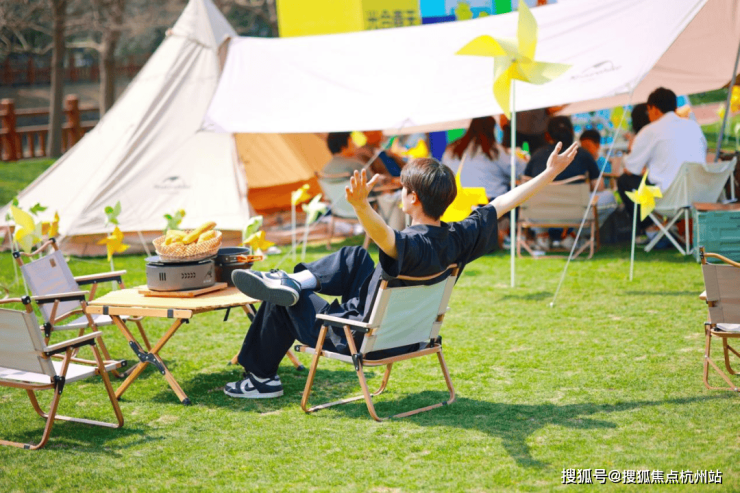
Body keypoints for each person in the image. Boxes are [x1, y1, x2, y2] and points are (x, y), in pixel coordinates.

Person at [224, 143, 579, 398]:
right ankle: (291, 280)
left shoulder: (409, 246)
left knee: (284, 301)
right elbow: (502, 203)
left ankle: (261, 380)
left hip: (359, 337)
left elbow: (384, 236)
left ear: (413, 198)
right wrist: (549, 172)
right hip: (407, 335)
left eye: (404, 189)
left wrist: (361, 206)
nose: (401, 193)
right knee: (355, 257)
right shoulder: (459, 237)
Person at [617, 87, 707, 230]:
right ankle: (668, 227)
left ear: (653, 109)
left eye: (648, 110)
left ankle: (650, 228)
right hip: (701, 195)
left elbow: (630, 168)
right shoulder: (694, 126)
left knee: (624, 180)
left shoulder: (650, 131)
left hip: (668, 199)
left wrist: (630, 152)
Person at [442, 116, 526, 201]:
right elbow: (519, 170)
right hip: (490, 202)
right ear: (492, 129)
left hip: (458, 201)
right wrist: (520, 157)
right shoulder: (494, 151)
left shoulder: (452, 148)